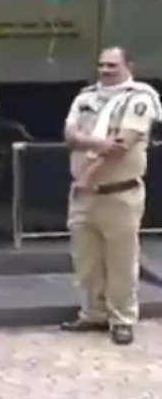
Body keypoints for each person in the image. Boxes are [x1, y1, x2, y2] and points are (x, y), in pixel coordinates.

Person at [59, 46, 161, 346]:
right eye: (102, 65)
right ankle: (94, 313)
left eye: (112, 65)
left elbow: (122, 145)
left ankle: (122, 319)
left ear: (129, 66)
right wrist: (99, 143)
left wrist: (88, 177)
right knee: (86, 259)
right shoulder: (86, 97)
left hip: (119, 194)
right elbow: (70, 135)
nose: (105, 70)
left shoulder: (140, 99)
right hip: (83, 195)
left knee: (121, 260)